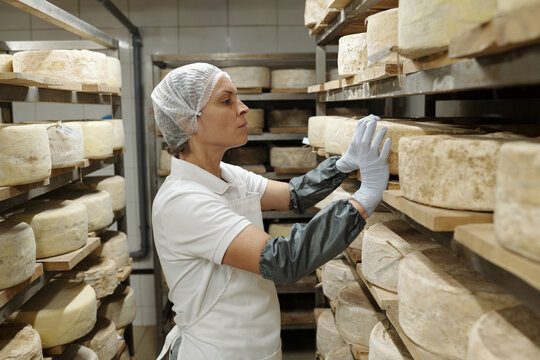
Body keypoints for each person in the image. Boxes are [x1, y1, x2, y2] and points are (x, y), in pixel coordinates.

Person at [151, 63, 391, 360]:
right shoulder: (184, 200)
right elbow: (283, 260)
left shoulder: (227, 175)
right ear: (187, 121)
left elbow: (293, 195)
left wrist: (341, 165)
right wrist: (364, 200)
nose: (243, 108)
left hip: (256, 345)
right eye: (227, 101)